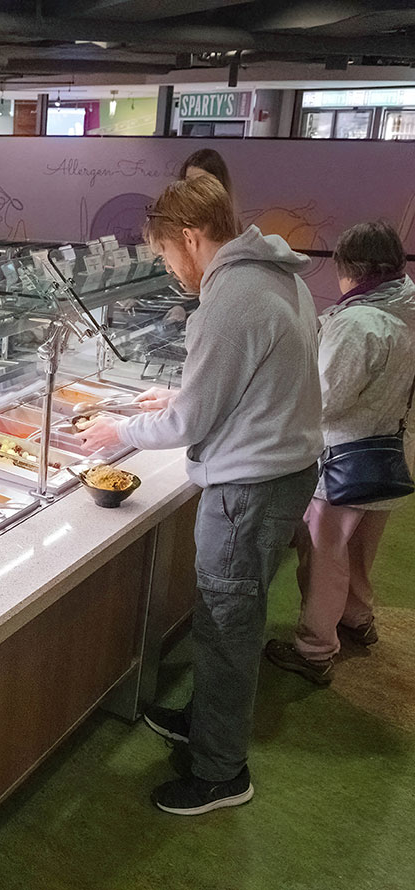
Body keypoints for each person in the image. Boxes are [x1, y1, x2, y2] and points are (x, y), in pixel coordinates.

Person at [76, 174, 323, 815]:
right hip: (280, 472)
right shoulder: (279, 275)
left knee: (227, 627)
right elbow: (257, 379)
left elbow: (190, 424)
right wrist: (182, 393)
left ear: (190, 238)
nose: (168, 268)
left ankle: (221, 772)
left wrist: (119, 430)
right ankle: (207, 723)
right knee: (226, 619)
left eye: (164, 254)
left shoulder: (229, 298)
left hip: (249, 488)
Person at [265, 222, 415, 685]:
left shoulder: (358, 324)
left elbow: (324, 399)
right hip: (391, 455)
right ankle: (357, 618)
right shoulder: (406, 305)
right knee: (361, 550)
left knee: (324, 554)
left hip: (343, 462)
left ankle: (314, 649)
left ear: (349, 268)